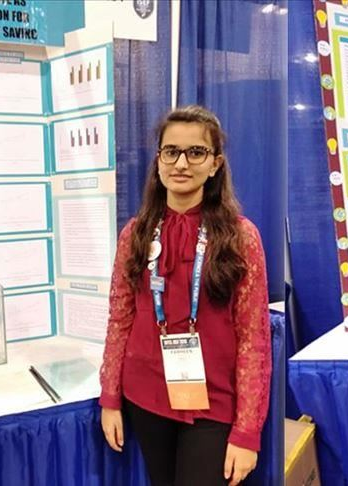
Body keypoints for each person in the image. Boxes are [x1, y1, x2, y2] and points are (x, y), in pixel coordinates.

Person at [99, 105, 271, 486]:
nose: (181, 163)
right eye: (171, 151)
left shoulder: (241, 238)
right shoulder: (135, 234)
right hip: (145, 395)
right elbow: (120, 318)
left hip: (213, 402)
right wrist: (110, 397)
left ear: (215, 164)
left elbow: (254, 340)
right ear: (158, 161)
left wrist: (247, 431)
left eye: (196, 152)